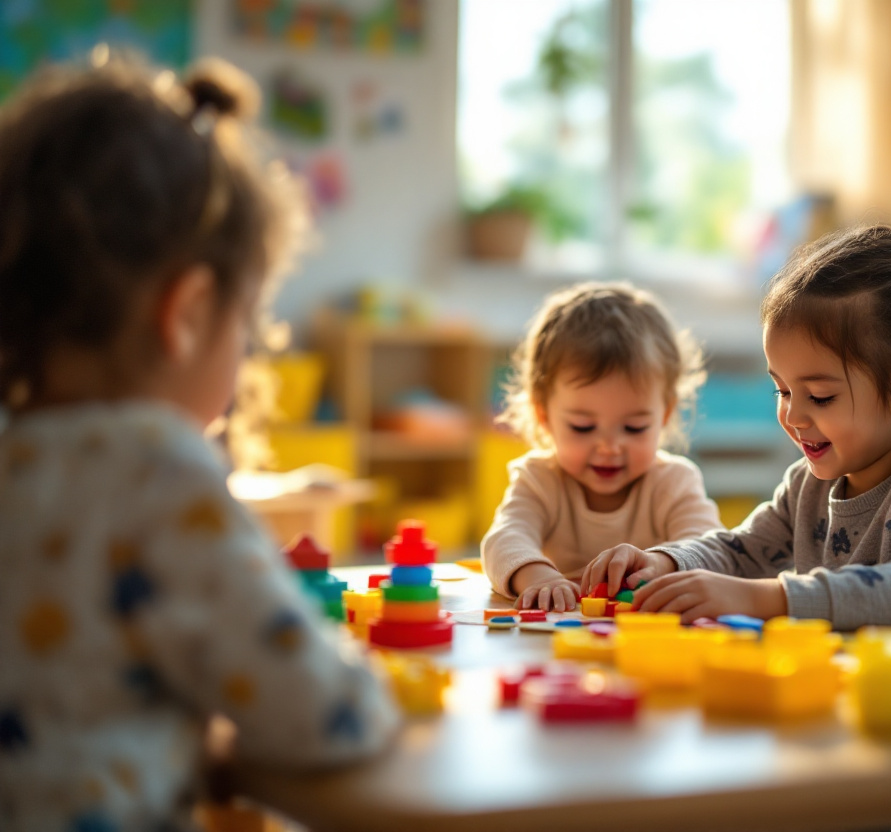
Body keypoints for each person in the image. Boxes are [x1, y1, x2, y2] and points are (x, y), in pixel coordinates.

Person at [0, 56, 398, 831]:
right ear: (185, 314)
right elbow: (325, 715)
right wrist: (371, 685)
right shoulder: (155, 471)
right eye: (247, 327)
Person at [583, 226, 891, 648]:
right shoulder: (809, 483)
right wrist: (665, 562)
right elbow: (741, 550)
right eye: (782, 389)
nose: (792, 414)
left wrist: (764, 599)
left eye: (819, 396)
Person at [482, 283, 722, 610]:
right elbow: (504, 540)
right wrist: (539, 579)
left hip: (648, 636)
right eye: (583, 427)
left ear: (664, 414)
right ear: (544, 415)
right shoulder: (539, 480)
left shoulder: (674, 483)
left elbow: (712, 548)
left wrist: (663, 563)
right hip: (560, 635)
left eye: (634, 427)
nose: (609, 447)